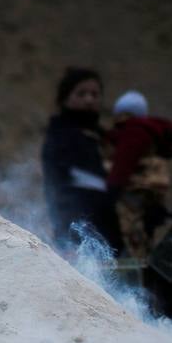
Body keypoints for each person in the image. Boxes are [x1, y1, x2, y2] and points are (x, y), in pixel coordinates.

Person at [41, 67, 121, 253]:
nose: (89, 99)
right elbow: (59, 187)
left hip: (109, 232)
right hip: (77, 232)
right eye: (81, 93)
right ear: (65, 98)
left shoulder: (101, 138)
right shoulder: (61, 136)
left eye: (95, 94)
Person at [105, 90, 172, 260]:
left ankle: (135, 275)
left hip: (132, 197)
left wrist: (111, 188)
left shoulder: (134, 133)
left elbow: (123, 163)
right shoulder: (151, 133)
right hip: (148, 195)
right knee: (144, 238)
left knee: (132, 238)